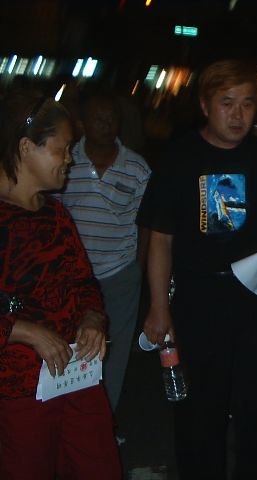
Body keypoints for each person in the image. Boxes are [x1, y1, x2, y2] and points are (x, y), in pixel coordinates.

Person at [136, 59, 257, 479]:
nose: (238, 114)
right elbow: (160, 239)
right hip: (199, 298)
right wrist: (159, 307)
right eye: (227, 103)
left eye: (247, 103)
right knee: (199, 411)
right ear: (205, 105)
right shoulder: (180, 158)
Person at [0, 91, 121, 478]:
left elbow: (85, 282)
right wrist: (26, 332)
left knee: (99, 467)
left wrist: (92, 318)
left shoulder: (56, 215)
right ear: (26, 148)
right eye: (62, 149)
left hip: (76, 375)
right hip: (19, 388)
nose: (70, 159)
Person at [58, 90, 151, 414]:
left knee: (114, 350)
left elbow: (145, 225)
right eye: (98, 118)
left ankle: (105, 418)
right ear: (82, 123)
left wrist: (138, 269)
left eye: (111, 118)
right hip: (72, 275)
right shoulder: (66, 160)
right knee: (72, 348)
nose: (106, 124)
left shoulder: (137, 167)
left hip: (118, 273)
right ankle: (73, 418)